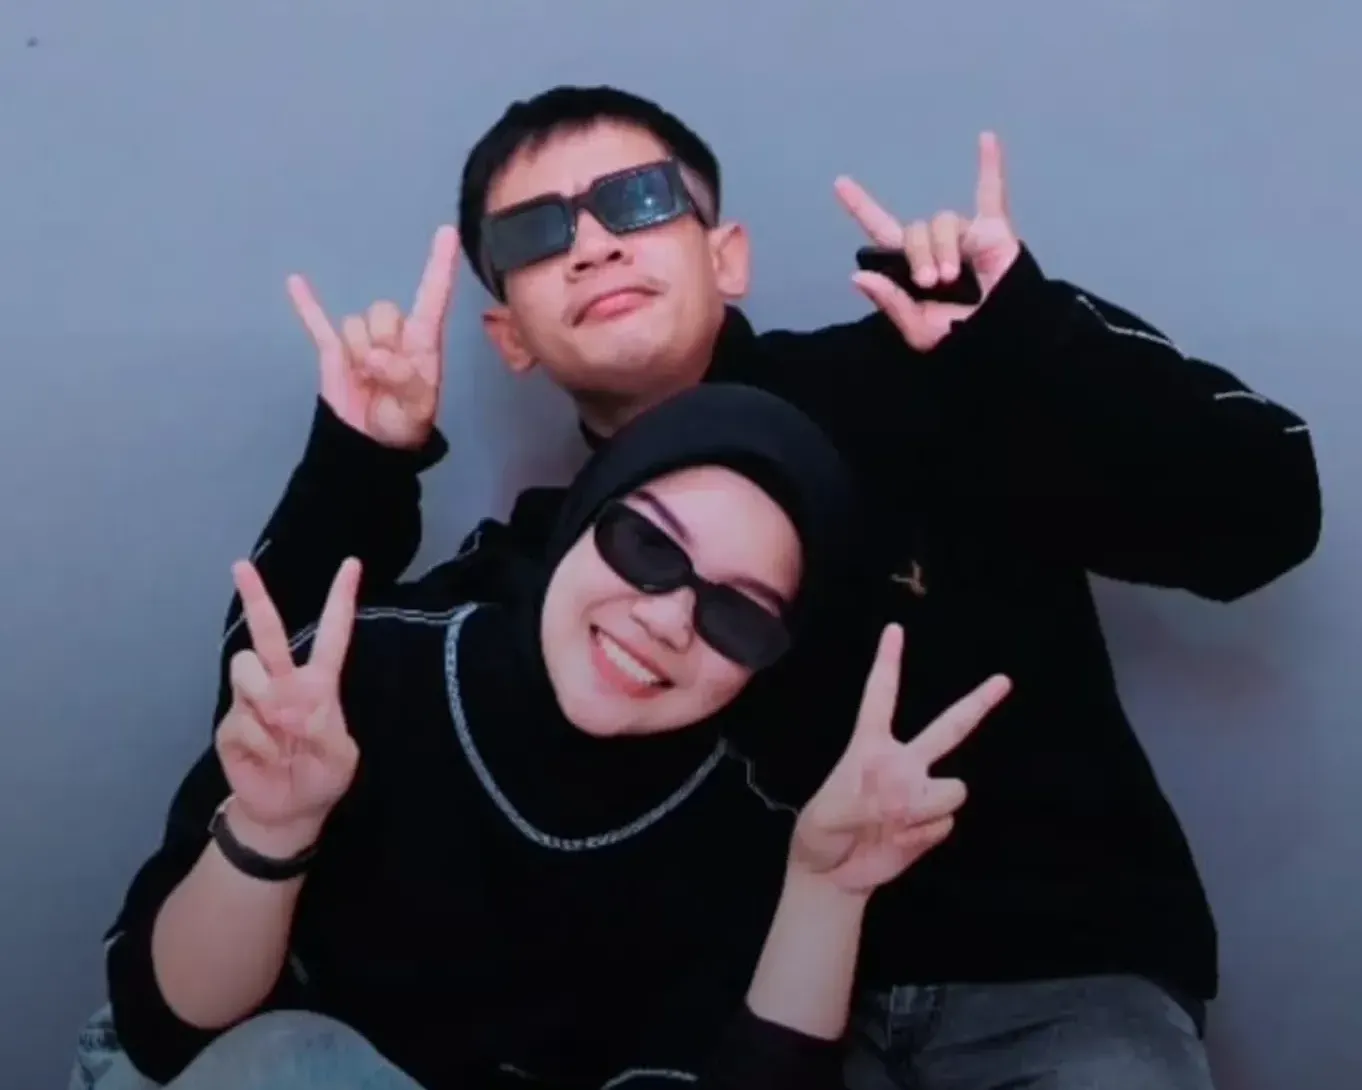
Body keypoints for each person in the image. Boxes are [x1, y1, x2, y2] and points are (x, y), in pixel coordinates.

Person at [190, 83, 1322, 1090]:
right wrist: (362, 458)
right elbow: (270, 711)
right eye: (537, 234)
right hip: (751, 1026)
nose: (593, 245)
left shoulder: (930, 366)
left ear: (727, 256)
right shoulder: (565, 572)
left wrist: (1028, 339)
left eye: (636, 202)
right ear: (510, 336)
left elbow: (1265, 516)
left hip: (1055, 984)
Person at [97, 385, 1012, 1090]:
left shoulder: (737, 829)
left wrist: (826, 894)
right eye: (649, 547)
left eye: (738, 613)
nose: (666, 618)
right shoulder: (367, 676)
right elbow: (165, 1037)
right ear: (583, 520)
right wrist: (271, 831)